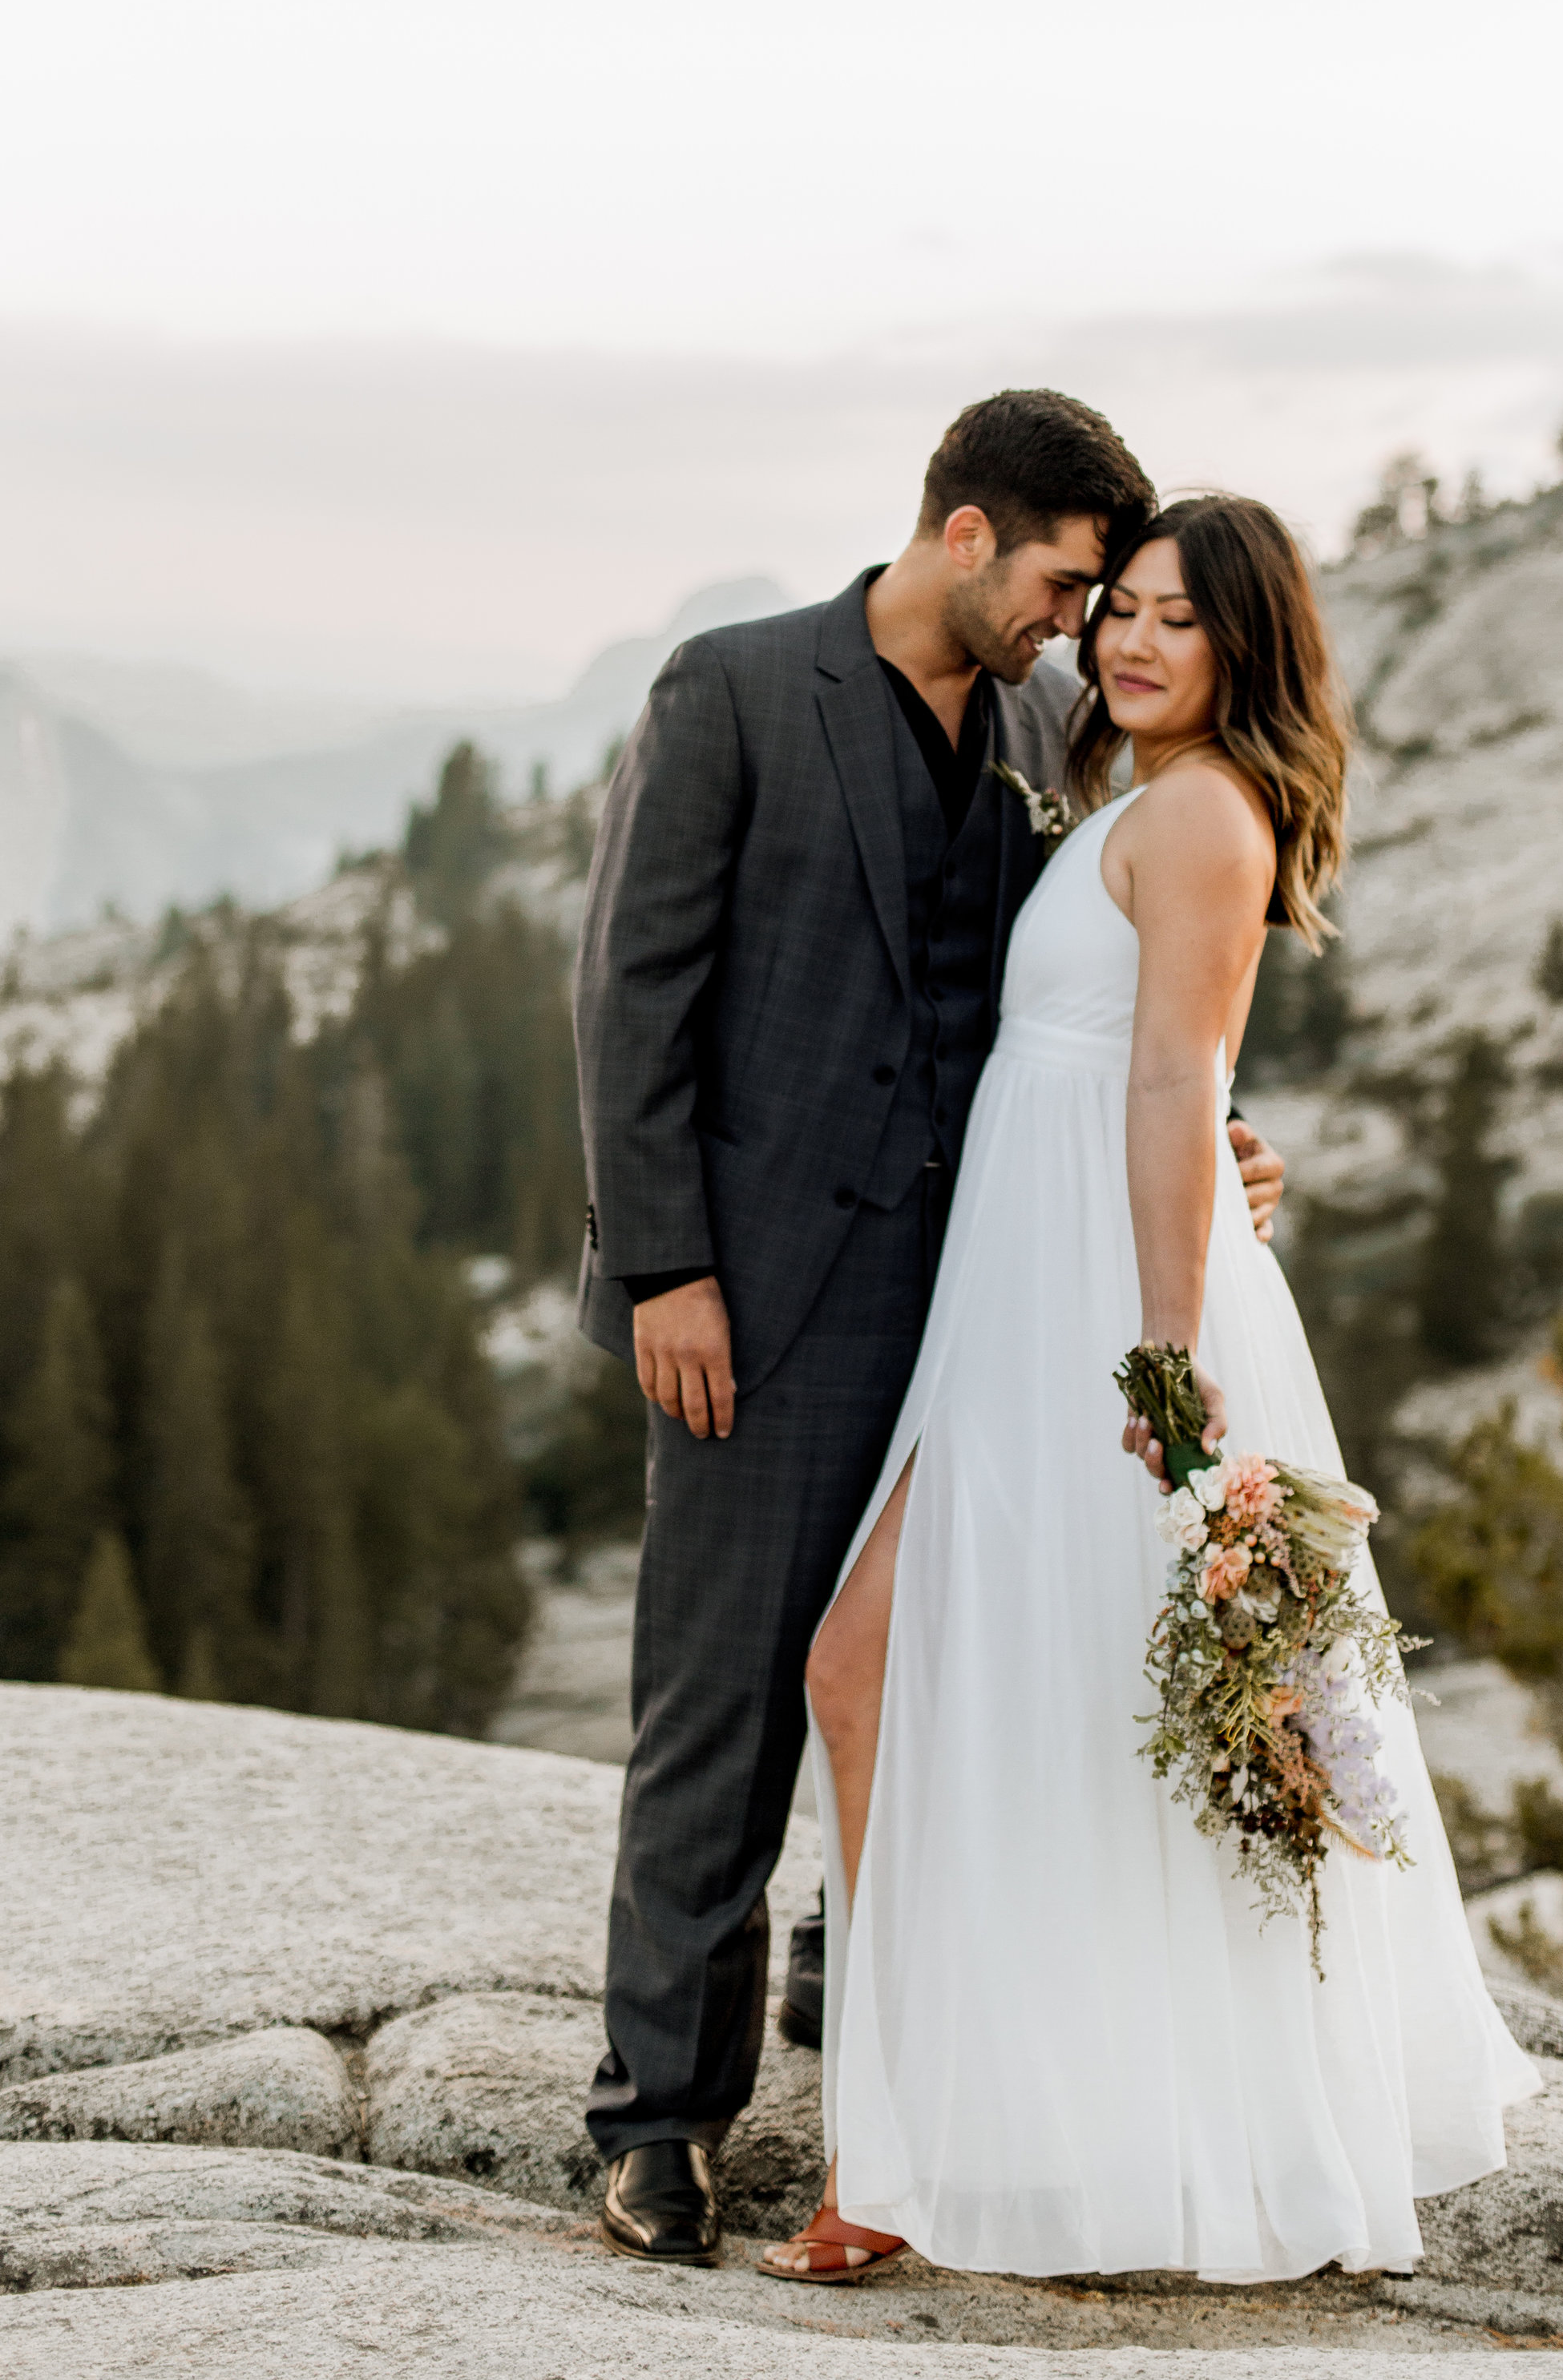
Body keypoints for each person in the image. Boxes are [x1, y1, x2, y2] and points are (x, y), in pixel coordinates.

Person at [761, 493, 1538, 2286]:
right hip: (1027, 1292)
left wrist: (1170, 1353)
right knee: (922, 1682)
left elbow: (1173, 1087)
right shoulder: (1134, 793)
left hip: (1101, 1319)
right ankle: (918, 2138)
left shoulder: (1197, 812)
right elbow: (1150, 1071)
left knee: (940, 1684)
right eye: (1117, 608)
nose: (1127, 641)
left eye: (1176, 621)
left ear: (1242, 647)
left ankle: (929, 2155)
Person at [572, 396, 1290, 2266]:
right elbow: (629, 992)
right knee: (721, 1710)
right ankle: (655, 2125)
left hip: (981, 1298)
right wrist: (662, 1269)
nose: (1082, 629)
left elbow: (1117, 1014)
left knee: (940, 1689)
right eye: (1065, 583)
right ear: (963, 536)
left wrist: (1214, 1152)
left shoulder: (1055, 730)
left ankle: (896, 2083)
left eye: (1112, 600)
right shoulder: (729, 692)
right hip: (749, 1306)